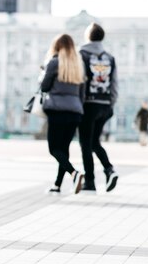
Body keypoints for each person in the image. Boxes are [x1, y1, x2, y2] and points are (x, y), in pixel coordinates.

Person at [40, 34, 86, 194]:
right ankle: (57, 186)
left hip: (57, 110)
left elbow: (44, 87)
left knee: (54, 149)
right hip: (75, 112)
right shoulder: (78, 66)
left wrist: (44, 72)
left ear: (57, 47)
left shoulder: (54, 63)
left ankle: (74, 173)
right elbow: (82, 94)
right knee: (64, 149)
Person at [78, 23, 118, 192]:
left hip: (87, 105)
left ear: (88, 36)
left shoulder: (82, 54)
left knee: (85, 144)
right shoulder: (109, 58)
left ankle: (90, 182)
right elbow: (115, 84)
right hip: (105, 105)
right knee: (95, 141)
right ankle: (109, 169)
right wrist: (110, 104)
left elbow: (79, 81)